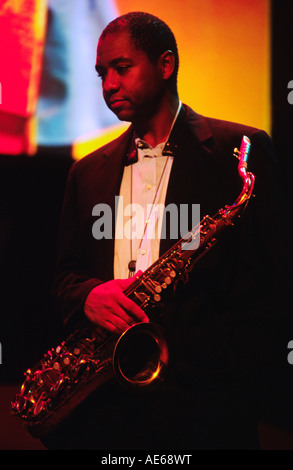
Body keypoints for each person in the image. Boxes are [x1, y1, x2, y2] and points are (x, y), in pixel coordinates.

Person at [44, 11, 290, 450]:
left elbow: (273, 286)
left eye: (122, 68)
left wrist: (222, 374)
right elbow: (65, 277)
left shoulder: (240, 151)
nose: (108, 86)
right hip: (106, 405)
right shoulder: (85, 172)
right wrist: (87, 296)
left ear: (166, 64)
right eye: (102, 74)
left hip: (205, 407)